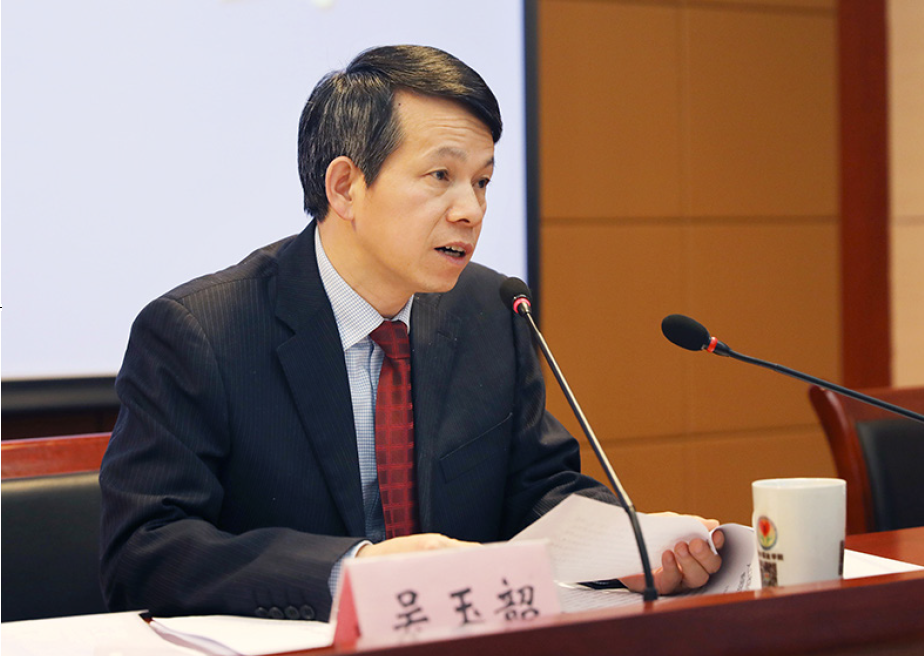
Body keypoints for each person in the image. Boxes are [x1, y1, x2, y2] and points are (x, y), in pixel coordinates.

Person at [99, 45, 723, 622]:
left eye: (482, 181)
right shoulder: (201, 332)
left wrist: (629, 546)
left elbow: (538, 489)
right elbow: (146, 552)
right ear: (345, 187)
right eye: (440, 176)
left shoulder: (490, 310)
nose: (470, 210)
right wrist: (353, 572)